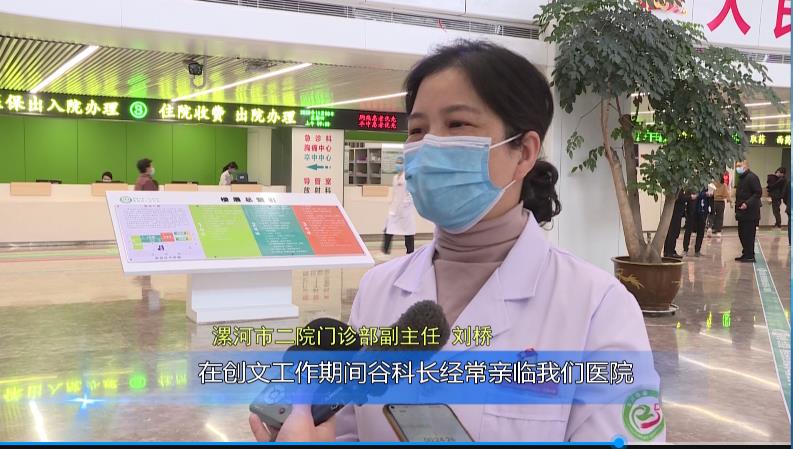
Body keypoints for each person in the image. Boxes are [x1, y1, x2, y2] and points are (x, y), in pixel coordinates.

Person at [250, 40, 664, 443]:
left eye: (457, 125)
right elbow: (350, 429)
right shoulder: (379, 289)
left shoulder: (597, 307)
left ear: (524, 152)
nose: (430, 145)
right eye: (417, 129)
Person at [381, 156, 416, 256]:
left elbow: (412, 191)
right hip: (394, 209)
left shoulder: (408, 177)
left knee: (408, 232)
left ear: (404, 165)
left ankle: (410, 253)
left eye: (400, 163)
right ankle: (385, 251)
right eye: (397, 162)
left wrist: (407, 202)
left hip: (405, 210)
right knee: (388, 229)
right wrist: (391, 203)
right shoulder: (395, 178)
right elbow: (394, 193)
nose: (398, 165)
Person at [734, 159, 762, 262]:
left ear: (746, 166)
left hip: (750, 213)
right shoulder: (742, 178)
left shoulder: (752, 177)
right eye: (737, 166)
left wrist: (747, 203)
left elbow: (758, 193)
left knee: (748, 234)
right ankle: (746, 253)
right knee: (742, 234)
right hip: (742, 212)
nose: (738, 168)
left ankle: (750, 255)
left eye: (739, 166)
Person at [682, 188, 711, 257]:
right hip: (692, 211)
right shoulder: (691, 186)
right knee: (688, 231)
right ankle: (685, 249)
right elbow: (688, 196)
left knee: (701, 231)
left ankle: (697, 250)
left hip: (702, 211)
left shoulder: (706, 187)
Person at [663, 190, 687, 259]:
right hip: (676, 213)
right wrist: (690, 197)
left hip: (675, 213)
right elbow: (680, 198)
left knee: (671, 232)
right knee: (673, 232)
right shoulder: (677, 189)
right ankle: (670, 252)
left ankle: (667, 251)